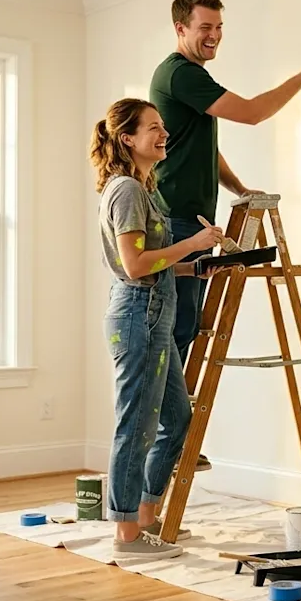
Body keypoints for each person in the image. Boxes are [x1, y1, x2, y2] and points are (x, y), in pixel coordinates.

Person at [148, 0, 301, 471]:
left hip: (191, 219)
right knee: (177, 332)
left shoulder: (191, 79)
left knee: (185, 328)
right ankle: (168, 442)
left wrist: (239, 188)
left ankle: (172, 441)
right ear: (181, 29)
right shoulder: (180, 73)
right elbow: (250, 113)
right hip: (176, 222)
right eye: (205, 27)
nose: (214, 36)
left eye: (219, 27)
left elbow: (200, 146)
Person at [91, 97, 225, 559]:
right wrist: (193, 242)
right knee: (137, 424)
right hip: (139, 314)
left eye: (163, 126)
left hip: (155, 312)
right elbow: (134, 266)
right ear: (127, 139)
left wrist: (193, 267)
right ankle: (126, 534)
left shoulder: (144, 189)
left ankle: (146, 515)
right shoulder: (126, 189)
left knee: (176, 418)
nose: (164, 133)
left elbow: (154, 265)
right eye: (153, 127)